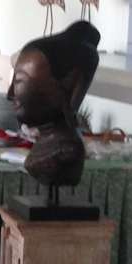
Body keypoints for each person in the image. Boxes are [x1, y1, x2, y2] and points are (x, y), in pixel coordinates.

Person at [8, 19, 101, 189]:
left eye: (20, 81)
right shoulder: (44, 147)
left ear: (70, 86)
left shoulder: (65, 153)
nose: (10, 94)